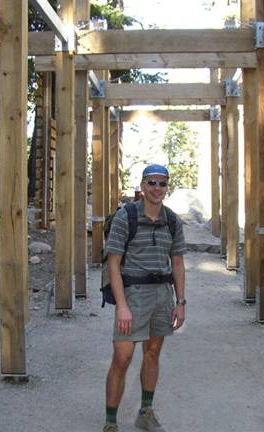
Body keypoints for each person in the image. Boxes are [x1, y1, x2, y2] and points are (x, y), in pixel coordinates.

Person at [102, 164, 187, 432]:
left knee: (152, 353)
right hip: (133, 295)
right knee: (122, 358)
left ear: (167, 187)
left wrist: (180, 303)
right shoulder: (125, 217)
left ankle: (145, 412)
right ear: (142, 186)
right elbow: (113, 263)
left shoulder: (172, 220)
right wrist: (122, 306)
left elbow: (177, 262)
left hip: (162, 294)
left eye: (162, 183)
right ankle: (111, 422)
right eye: (152, 183)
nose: (157, 188)